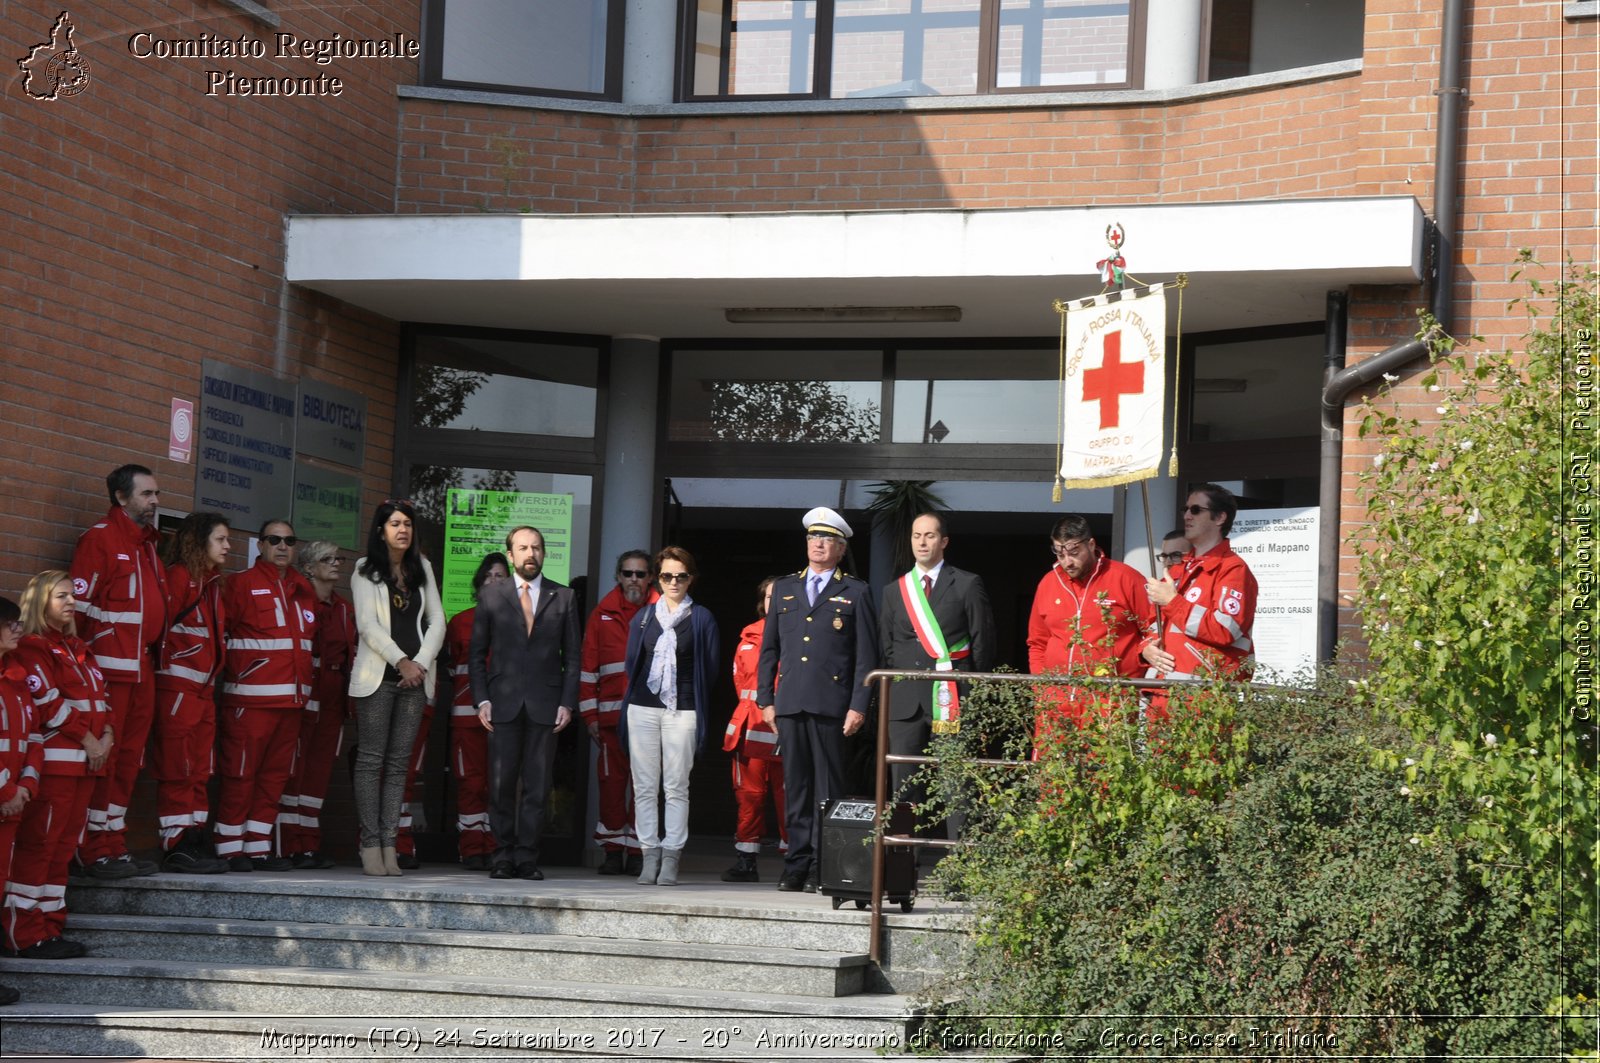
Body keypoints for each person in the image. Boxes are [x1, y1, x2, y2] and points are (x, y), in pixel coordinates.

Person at [756, 507, 878, 894]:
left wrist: (859, 704)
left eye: (827, 540)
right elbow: (769, 648)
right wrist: (765, 698)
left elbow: (866, 656)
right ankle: (796, 863)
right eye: (813, 538)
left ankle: (823, 867)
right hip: (790, 702)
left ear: (841, 549)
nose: (819, 544)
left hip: (832, 705)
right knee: (796, 788)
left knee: (828, 790)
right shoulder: (786, 588)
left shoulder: (856, 591)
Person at [5, 572, 111, 959]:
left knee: (64, 848)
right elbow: (48, 704)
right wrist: (89, 739)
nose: (71, 602)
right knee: (40, 847)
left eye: (72, 596)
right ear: (40, 602)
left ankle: (50, 928)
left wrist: (108, 736)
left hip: (85, 767)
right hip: (56, 767)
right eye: (60, 596)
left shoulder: (80, 647)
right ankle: (24, 932)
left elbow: (104, 698)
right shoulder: (33, 647)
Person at [70, 463, 166, 878]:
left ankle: (112, 841)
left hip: (141, 670)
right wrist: (83, 673)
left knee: (129, 761)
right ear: (121, 498)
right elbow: (77, 613)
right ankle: (91, 849)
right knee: (105, 761)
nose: (155, 501)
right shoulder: (100, 539)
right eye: (147, 494)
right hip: (109, 672)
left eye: (156, 494)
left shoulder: (147, 546)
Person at [879, 512, 996, 857]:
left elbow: (983, 643)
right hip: (905, 702)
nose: (922, 542)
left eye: (929, 536)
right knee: (903, 786)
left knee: (955, 784)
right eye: (917, 536)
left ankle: (961, 866)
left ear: (944, 541)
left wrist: (971, 693)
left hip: (951, 697)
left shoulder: (966, 583)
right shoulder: (893, 590)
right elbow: (888, 646)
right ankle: (902, 866)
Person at [469, 525, 581, 881]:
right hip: (501, 704)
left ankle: (527, 858)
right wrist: (481, 698)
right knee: (501, 783)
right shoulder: (492, 596)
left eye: (536, 548)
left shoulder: (563, 597)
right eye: (523, 548)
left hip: (546, 705)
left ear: (544, 553)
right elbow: (476, 655)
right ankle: (502, 856)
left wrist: (567, 702)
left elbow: (574, 658)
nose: (530, 554)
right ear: (511, 553)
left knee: (537, 785)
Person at [348, 501, 446, 877]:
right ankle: (370, 843)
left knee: (399, 766)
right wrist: (400, 661)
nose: (402, 530)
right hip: (379, 679)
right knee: (372, 762)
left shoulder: (422, 567)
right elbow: (367, 625)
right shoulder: (364, 570)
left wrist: (419, 663)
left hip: (416, 680)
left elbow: (437, 619)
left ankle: (391, 843)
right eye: (394, 524)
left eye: (407, 524)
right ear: (380, 530)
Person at [215, 520, 317, 872]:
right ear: (260, 545)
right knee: (240, 774)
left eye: (290, 540)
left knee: (274, 778)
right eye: (275, 540)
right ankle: (230, 847)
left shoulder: (303, 588)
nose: (283, 546)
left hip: (291, 704)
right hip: (249, 701)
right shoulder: (239, 585)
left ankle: (258, 847)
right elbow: (220, 636)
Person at [620, 547, 721, 887]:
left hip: (684, 708)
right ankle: (649, 854)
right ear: (657, 578)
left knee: (677, 786)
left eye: (681, 576)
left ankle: (672, 856)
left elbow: (709, 667)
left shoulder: (702, 618)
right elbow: (632, 662)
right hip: (642, 707)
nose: (674, 582)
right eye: (666, 576)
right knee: (645, 786)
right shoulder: (645, 617)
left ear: (691, 578)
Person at [150, 512, 232, 874]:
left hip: (201, 689)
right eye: (221, 539)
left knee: (200, 768)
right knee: (178, 766)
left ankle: (194, 834)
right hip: (178, 688)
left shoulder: (210, 583)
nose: (228, 546)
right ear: (200, 542)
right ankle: (175, 841)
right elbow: (158, 627)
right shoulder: (180, 577)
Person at [1027, 515, 1158, 738]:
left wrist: (1144, 650)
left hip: (1111, 700)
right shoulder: (1048, 582)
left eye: (1074, 552)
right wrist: (1042, 690)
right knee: (1053, 770)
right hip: (1056, 701)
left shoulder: (1125, 578)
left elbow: (1154, 628)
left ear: (1091, 544)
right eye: (1060, 553)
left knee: (1105, 770)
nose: (1067, 561)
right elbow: (1037, 643)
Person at [277, 540, 355, 870]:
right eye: (328, 559)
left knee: (319, 773)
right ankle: (287, 844)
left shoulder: (343, 608)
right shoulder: (299, 600)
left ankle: (308, 844)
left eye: (338, 557)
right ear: (308, 567)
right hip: (305, 690)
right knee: (294, 771)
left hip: (333, 697)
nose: (336, 564)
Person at [578, 549, 653, 876]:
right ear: (618, 577)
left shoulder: (662, 611)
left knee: (644, 789)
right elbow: (587, 669)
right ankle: (612, 851)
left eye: (640, 573)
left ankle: (637, 852)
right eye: (627, 573)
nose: (633, 579)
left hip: (650, 719)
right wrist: (589, 716)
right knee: (610, 787)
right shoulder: (602, 614)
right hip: (609, 721)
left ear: (650, 577)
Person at [1143, 483, 1259, 689]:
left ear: (1220, 518)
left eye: (1196, 510)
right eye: (1185, 509)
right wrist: (1145, 649)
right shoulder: (1179, 570)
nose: (1187, 516)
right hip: (1160, 693)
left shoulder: (1233, 569)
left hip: (1202, 700)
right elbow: (1152, 625)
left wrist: (1172, 601)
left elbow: (1224, 629)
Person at [443, 552, 508, 870]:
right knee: (470, 783)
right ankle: (471, 849)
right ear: (478, 584)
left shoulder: (518, 623)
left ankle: (496, 847)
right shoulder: (459, 623)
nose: (494, 581)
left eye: (500, 576)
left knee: (498, 786)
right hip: (466, 718)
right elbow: (450, 670)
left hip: (505, 721)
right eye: (488, 576)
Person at [720, 576, 785, 883]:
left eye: (780, 596)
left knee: (789, 799)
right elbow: (739, 685)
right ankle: (746, 862)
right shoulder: (748, 638)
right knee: (750, 797)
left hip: (785, 733)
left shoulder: (799, 635)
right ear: (763, 602)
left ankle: (795, 865)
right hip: (751, 731)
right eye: (770, 596)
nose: (774, 602)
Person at [0, 596, 41, 999]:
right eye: (10, 624)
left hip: (10, 808)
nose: (18, 629)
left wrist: (25, 787)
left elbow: (33, 738)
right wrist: (7, 790)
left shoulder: (15, 679)